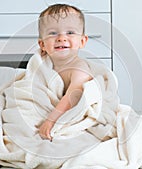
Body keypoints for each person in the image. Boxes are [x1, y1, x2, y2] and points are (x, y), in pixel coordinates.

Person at [37, 4, 93, 141]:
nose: (61, 38)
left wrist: (51, 121)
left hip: (64, 114)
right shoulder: (41, 65)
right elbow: (30, 86)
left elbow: (74, 94)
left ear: (82, 41)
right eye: (53, 33)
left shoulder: (79, 68)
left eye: (70, 32)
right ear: (42, 45)